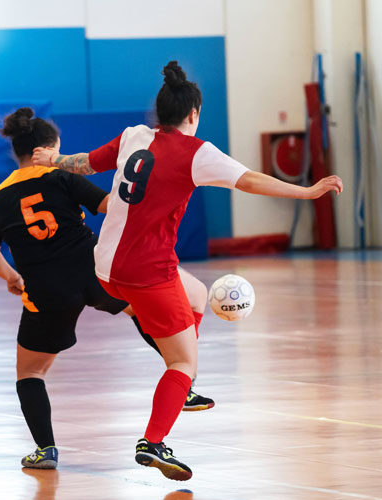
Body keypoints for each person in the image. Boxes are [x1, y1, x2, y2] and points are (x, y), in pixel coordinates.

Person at [32, 61, 343, 481]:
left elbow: (86, 163)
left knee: (197, 295)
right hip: (148, 272)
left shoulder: (132, 137)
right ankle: (154, 440)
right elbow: (249, 180)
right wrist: (306, 191)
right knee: (182, 362)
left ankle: (182, 386)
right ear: (193, 114)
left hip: (105, 264)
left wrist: (53, 159)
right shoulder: (198, 152)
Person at [0, 108, 214, 470]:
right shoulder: (60, 173)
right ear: (52, 146)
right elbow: (110, 205)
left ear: (16, 151)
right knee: (140, 308)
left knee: (30, 373)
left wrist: (12, 277)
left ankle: (45, 451)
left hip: (44, 288)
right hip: (93, 268)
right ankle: (183, 381)